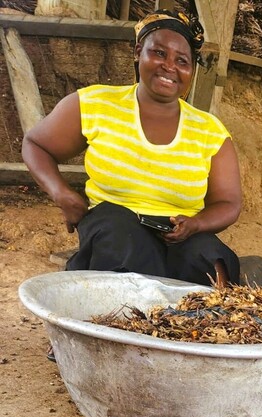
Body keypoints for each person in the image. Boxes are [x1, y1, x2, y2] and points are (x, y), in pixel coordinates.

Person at [22, 9, 242, 287]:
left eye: (182, 60)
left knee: (210, 260)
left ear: (191, 71)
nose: (169, 66)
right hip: (114, 227)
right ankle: (121, 322)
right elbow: (35, 145)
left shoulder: (209, 131)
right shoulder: (97, 104)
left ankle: (199, 327)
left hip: (180, 233)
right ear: (139, 52)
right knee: (123, 241)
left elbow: (229, 203)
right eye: (159, 53)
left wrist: (195, 224)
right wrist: (62, 194)